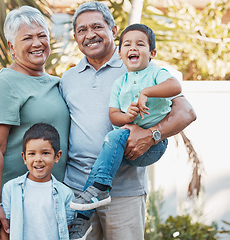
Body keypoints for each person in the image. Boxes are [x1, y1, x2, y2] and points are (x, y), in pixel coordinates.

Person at [59, 1, 196, 240]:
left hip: (125, 192)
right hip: (77, 194)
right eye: (82, 30)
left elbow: (186, 112)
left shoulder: (136, 65)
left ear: (113, 31)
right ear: (75, 37)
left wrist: (153, 135)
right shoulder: (67, 79)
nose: (90, 34)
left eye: (97, 27)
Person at [0, 6, 70, 240]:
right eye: (27, 38)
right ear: (11, 47)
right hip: (13, 200)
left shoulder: (56, 82)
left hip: (47, 198)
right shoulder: (5, 84)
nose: (37, 43)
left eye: (42, 36)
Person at [70, 23, 182, 212]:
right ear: (120, 53)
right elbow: (114, 116)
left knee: (109, 146)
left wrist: (147, 92)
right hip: (124, 146)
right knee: (99, 165)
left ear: (152, 53)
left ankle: (100, 190)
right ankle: (84, 215)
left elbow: (175, 87)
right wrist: (126, 116)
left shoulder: (156, 73)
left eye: (140, 44)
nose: (133, 48)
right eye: (127, 45)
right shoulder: (120, 83)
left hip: (152, 146)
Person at [0, 123, 75, 240]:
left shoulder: (66, 194)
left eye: (45, 153)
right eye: (32, 154)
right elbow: (6, 228)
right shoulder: (11, 189)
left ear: (57, 156)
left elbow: (68, 228)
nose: (38, 159)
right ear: (24, 158)